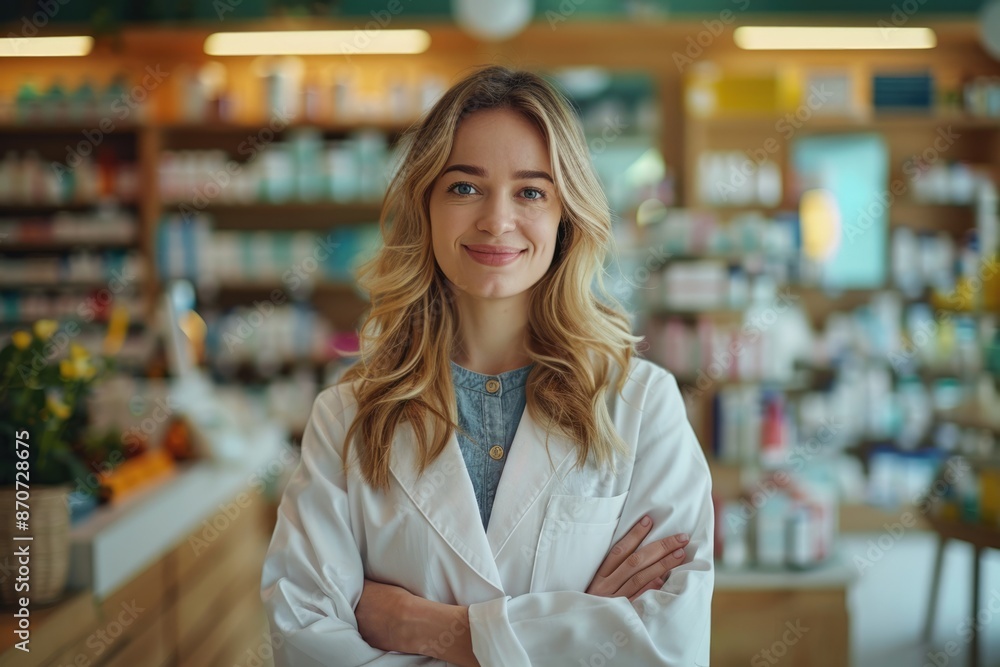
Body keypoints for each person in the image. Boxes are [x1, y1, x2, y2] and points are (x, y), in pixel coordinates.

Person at [260, 64, 714, 667]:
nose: (497, 220)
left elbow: (665, 647)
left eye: (530, 191)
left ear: (565, 216)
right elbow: (303, 640)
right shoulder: (346, 417)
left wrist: (427, 629)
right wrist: (576, 627)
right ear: (426, 205)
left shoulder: (640, 405)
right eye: (465, 187)